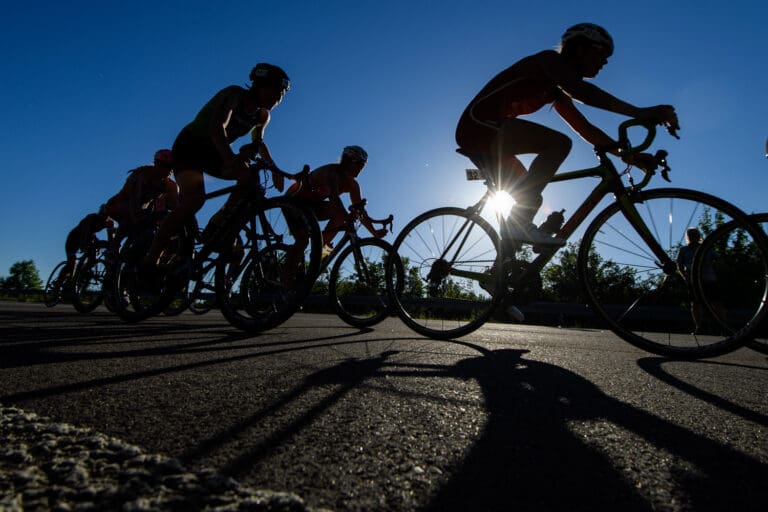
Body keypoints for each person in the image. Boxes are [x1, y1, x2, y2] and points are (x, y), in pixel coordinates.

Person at [455, 23, 680, 247]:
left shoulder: (555, 87)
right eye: (601, 52)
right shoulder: (548, 61)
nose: (606, 61)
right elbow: (582, 92)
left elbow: (585, 128)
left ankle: (506, 270)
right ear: (579, 48)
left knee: (530, 197)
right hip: (478, 125)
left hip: (489, 132)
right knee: (558, 144)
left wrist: (627, 156)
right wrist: (641, 112)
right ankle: (518, 224)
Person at [143, 63, 291, 269]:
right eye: (273, 90)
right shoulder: (234, 95)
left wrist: (272, 166)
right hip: (190, 147)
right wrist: (231, 158)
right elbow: (217, 126)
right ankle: (151, 258)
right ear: (257, 85)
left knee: (250, 179)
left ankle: (217, 225)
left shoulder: (263, 116)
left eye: (281, 95)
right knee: (194, 200)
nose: (277, 98)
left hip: (214, 153)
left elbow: (258, 140)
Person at [287, 145, 387, 248]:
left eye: (362, 167)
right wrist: (347, 218)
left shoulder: (353, 184)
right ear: (348, 161)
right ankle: (299, 259)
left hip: (312, 206)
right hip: (293, 201)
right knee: (302, 243)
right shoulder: (332, 172)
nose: (360, 169)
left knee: (339, 216)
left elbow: (359, 209)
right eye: (359, 165)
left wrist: (374, 232)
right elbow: (334, 198)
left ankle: (319, 249)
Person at [103, 149, 179, 240]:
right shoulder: (141, 175)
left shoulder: (170, 185)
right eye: (166, 166)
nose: (169, 171)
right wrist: (137, 220)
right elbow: (134, 200)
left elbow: (177, 207)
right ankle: (114, 246)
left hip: (142, 207)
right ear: (156, 164)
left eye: (172, 167)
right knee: (130, 220)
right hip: (116, 204)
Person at [677, 227, 725, 333]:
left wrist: (718, 267)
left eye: (695, 234)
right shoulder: (684, 249)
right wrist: (685, 276)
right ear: (688, 237)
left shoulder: (706, 247)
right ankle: (699, 327)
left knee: (716, 302)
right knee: (695, 303)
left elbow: (718, 259)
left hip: (710, 278)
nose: (693, 236)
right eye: (691, 235)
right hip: (693, 280)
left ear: (699, 236)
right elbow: (679, 264)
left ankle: (723, 326)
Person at [58, 210, 115, 289]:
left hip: (89, 238)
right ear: (99, 213)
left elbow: (111, 239)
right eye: (102, 214)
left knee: (92, 261)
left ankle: (79, 275)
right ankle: (58, 285)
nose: (104, 217)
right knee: (71, 263)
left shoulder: (110, 222)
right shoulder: (91, 218)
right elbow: (84, 232)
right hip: (74, 239)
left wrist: (110, 246)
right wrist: (83, 245)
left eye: (107, 215)